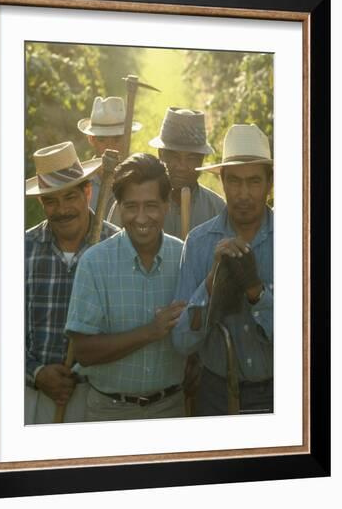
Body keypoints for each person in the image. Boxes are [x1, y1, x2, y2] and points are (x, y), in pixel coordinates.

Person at [65, 153, 187, 421]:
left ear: (167, 204)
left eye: (151, 205)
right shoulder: (94, 263)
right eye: (131, 206)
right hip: (109, 412)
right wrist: (150, 332)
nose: (141, 218)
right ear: (118, 206)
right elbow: (84, 353)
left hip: (171, 410)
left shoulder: (184, 258)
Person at [172, 124, 274, 416]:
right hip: (216, 394)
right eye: (234, 182)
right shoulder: (199, 243)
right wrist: (211, 282)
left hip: (284, 392)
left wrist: (257, 293)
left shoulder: (296, 240)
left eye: (254, 181)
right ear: (223, 183)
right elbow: (181, 341)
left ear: (270, 183)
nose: (243, 194)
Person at [25, 141, 118, 424]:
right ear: (41, 203)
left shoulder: (115, 247)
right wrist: (37, 372)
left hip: (98, 396)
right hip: (33, 396)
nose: (62, 209)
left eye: (69, 197)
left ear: (87, 192)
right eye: (51, 200)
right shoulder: (21, 250)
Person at [108, 107, 224, 237]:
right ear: (161, 155)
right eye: (174, 156)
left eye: (191, 158)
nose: (182, 166)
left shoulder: (217, 209)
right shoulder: (130, 203)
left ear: (202, 160)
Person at [78, 95, 142, 216]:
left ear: (127, 138)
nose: (110, 147)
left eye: (117, 139)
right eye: (102, 140)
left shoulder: (140, 178)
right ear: (91, 139)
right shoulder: (81, 183)